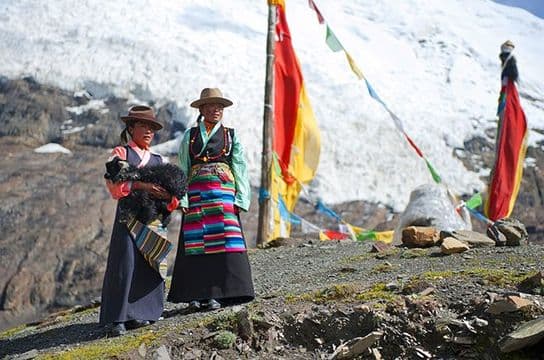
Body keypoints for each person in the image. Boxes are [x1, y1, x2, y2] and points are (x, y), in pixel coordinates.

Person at [168, 88, 254, 310]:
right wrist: (183, 198)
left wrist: (241, 199)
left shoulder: (230, 135)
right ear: (202, 109)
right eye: (211, 106)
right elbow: (183, 167)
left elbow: (240, 168)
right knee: (197, 243)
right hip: (196, 195)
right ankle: (198, 294)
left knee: (225, 241)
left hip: (223, 195)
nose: (216, 110)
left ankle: (225, 293)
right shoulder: (191, 135)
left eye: (220, 107)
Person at [100, 105, 179, 336]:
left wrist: (166, 195)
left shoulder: (159, 159)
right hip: (129, 217)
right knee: (125, 262)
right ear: (131, 128)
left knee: (149, 263)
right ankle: (118, 318)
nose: (148, 132)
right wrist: (143, 185)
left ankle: (143, 313)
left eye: (151, 128)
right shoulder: (121, 154)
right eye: (143, 126)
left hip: (153, 218)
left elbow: (172, 194)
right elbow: (115, 185)